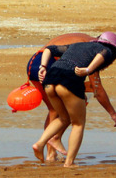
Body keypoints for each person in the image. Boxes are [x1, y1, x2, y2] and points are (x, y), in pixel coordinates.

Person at [32, 32, 116, 167]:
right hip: (68, 79)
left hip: (50, 79)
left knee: (64, 118)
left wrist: (43, 67)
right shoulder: (107, 50)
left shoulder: (77, 45)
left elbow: (49, 50)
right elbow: (103, 54)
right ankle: (69, 163)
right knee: (78, 124)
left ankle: (39, 143)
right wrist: (88, 70)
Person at [26, 33, 94, 162]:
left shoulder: (83, 40)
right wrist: (113, 114)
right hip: (49, 63)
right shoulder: (95, 50)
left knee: (56, 108)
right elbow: (98, 88)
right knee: (57, 110)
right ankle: (51, 152)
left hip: (35, 62)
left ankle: (50, 147)